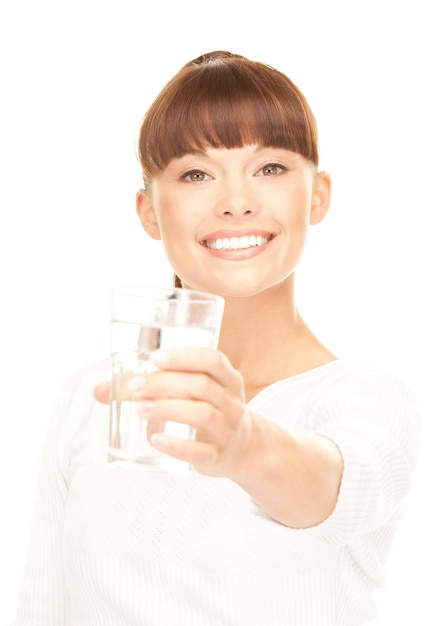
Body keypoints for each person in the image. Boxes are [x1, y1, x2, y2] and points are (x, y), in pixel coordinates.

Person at [11, 51, 421, 626]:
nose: (235, 201)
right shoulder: (90, 396)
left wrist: (243, 445)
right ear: (148, 210)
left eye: (271, 168)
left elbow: (336, 486)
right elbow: (42, 608)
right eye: (196, 173)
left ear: (318, 195)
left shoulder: (367, 399)